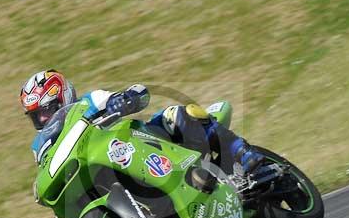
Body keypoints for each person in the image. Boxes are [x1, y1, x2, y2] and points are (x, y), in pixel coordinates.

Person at [18, 69, 265, 174]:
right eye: (35, 115)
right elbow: (47, 168)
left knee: (175, 114)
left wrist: (125, 99)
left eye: (46, 109)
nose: (42, 118)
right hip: (100, 170)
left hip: (142, 143)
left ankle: (242, 152)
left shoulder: (91, 100)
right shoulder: (39, 144)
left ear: (63, 96)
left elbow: (139, 92)